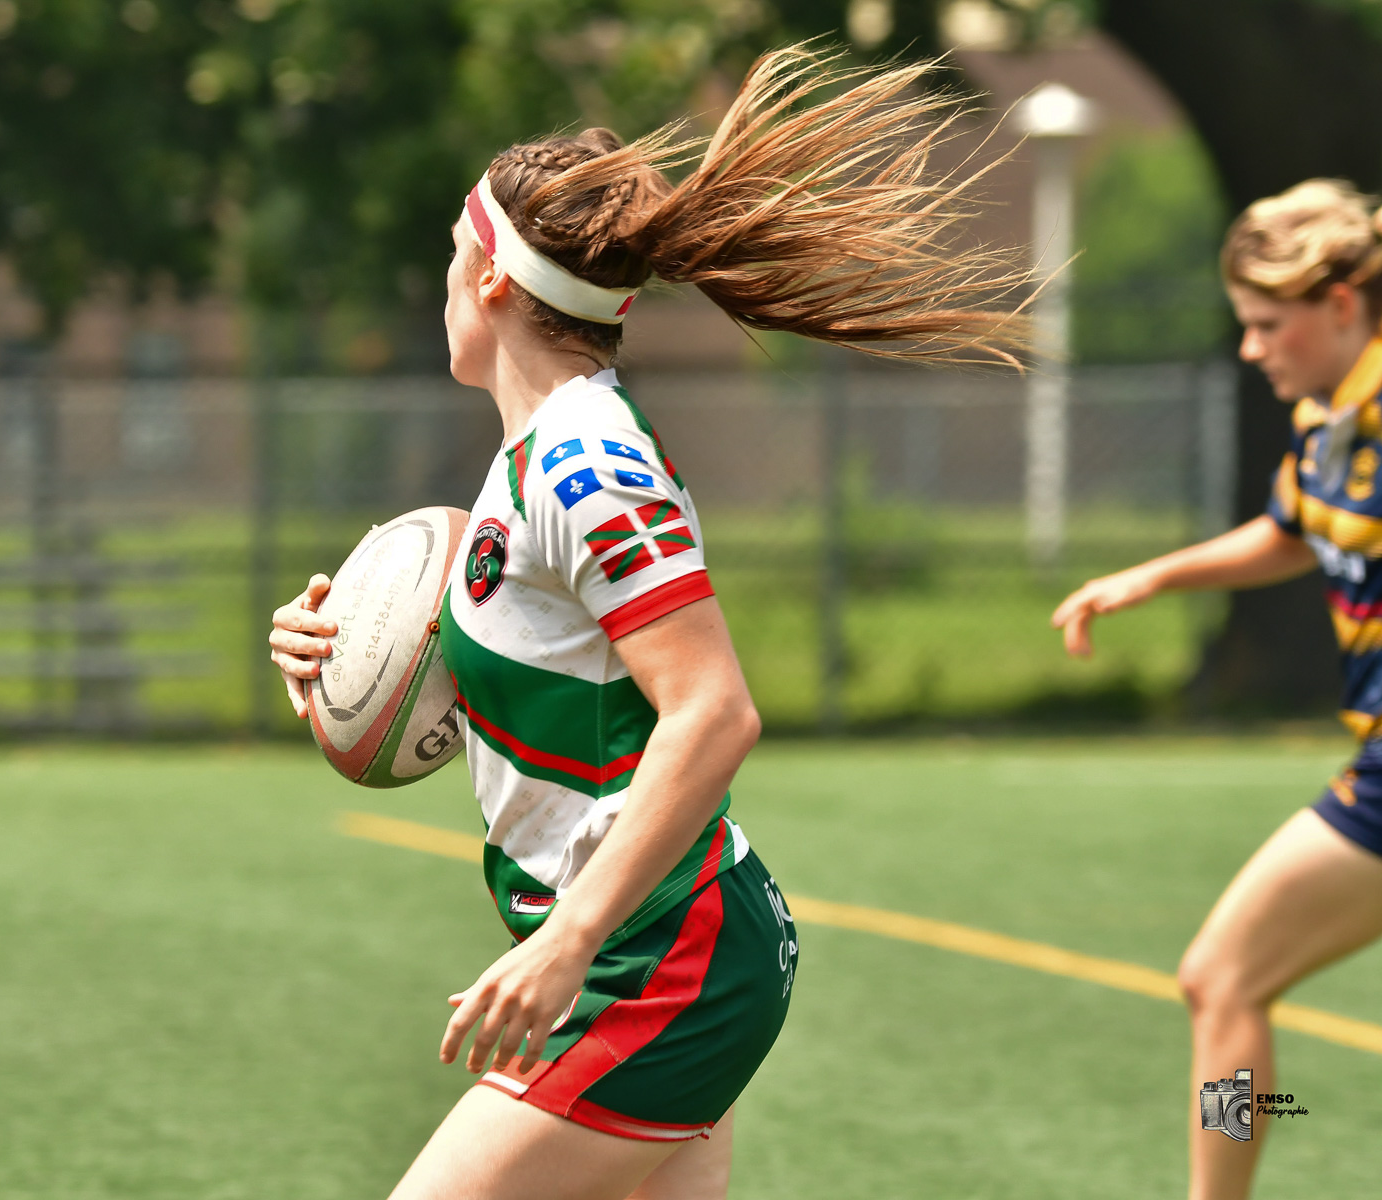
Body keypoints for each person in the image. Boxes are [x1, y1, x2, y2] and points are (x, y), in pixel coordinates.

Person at [271, 46, 1026, 1200]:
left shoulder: (586, 465)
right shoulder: (540, 452)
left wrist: (566, 944)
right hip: (659, 949)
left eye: (449, 254)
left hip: (658, 965)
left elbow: (714, 713)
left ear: (490, 281)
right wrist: (334, 673)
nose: (438, 279)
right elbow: (519, 700)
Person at [1052, 179, 1382, 1200]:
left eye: (1265, 325)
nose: (1251, 350)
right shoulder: (1330, 419)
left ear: (1338, 306)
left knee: (1223, 977)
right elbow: (1293, 529)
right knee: (1223, 980)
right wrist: (1156, 575)